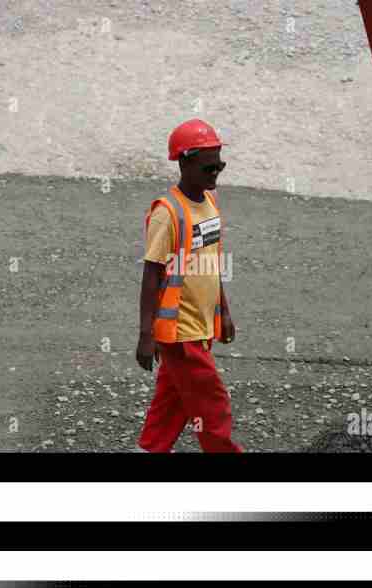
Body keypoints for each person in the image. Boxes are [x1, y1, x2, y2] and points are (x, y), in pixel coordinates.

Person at [134, 119, 244, 453]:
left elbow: (212, 264)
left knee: (172, 405)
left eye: (220, 165)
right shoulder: (168, 213)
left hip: (200, 326)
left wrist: (223, 311)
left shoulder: (209, 204)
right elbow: (151, 274)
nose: (216, 174)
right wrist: (145, 334)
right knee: (213, 406)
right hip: (179, 334)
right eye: (209, 167)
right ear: (184, 162)